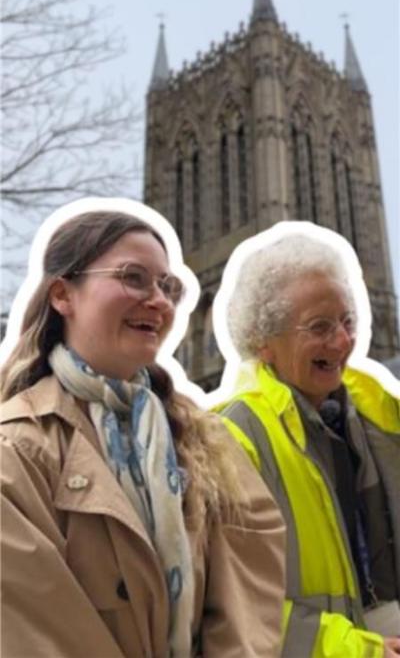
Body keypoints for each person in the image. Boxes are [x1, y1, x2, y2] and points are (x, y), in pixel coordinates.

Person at [0, 202, 286, 658]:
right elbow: (37, 633)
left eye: (167, 285)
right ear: (62, 294)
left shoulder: (207, 444)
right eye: (133, 277)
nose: (158, 299)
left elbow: (248, 603)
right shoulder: (16, 447)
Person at [213, 225, 400, 658]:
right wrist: (358, 650)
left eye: (346, 321)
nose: (342, 341)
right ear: (263, 343)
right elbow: (231, 603)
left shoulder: (379, 415)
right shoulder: (233, 438)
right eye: (319, 327)